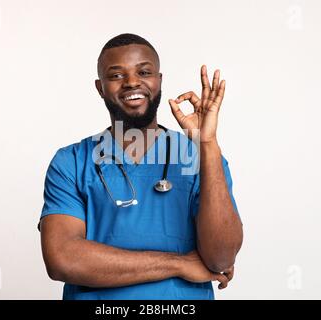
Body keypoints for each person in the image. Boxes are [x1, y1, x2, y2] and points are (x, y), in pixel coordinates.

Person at [38, 33, 243, 300]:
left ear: (159, 80)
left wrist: (208, 143)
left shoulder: (202, 157)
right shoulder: (72, 162)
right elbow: (63, 259)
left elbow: (220, 259)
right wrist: (179, 264)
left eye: (144, 71)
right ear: (100, 88)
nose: (132, 82)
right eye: (116, 75)